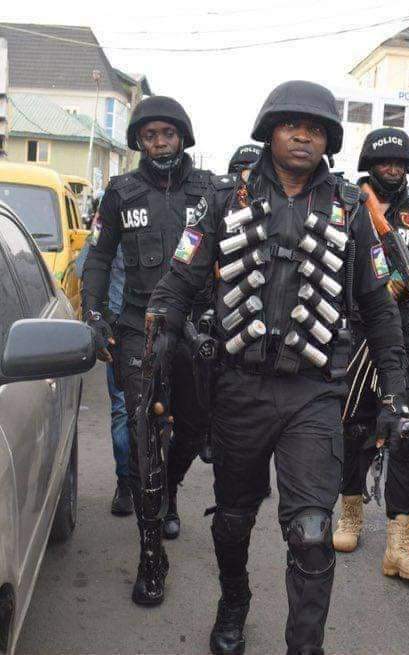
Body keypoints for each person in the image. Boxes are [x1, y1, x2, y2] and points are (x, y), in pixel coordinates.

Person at [148, 80, 409, 655]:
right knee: (232, 521)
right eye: (293, 125)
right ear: (270, 129)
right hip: (239, 386)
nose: (303, 136)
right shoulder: (224, 199)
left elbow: (378, 307)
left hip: (313, 392)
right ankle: (234, 600)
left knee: (312, 533)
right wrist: (160, 328)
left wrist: (394, 392)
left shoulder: (348, 208)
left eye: (316, 129)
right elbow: (182, 275)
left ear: (329, 142)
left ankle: (304, 646)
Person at [81, 95, 212, 606]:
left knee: (196, 428)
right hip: (138, 326)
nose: (160, 142)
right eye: (150, 135)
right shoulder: (119, 192)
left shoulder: (210, 191)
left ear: (183, 137)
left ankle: (170, 492)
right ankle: (150, 553)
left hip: (197, 329)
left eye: (168, 133)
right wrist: (94, 316)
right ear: (138, 141)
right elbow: (98, 257)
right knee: (142, 436)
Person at [333, 128, 409, 581]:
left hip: (404, 334)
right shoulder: (349, 204)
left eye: (400, 163)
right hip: (357, 333)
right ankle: (351, 511)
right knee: (354, 429)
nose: (393, 169)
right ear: (370, 165)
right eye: (385, 162)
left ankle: (401, 538)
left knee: (404, 432)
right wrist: (376, 285)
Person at [76, 202, 132, 516]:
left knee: (160, 413)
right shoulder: (109, 216)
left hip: (162, 331)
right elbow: (86, 265)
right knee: (126, 410)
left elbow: (82, 266)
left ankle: (148, 490)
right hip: (122, 333)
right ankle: (128, 484)